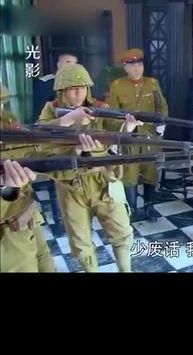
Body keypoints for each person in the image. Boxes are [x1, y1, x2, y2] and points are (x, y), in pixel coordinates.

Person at [36, 64, 138, 273]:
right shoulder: (51, 111)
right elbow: (40, 139)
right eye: (73, 88)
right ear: (62, 90)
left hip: (104, 180)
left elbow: (115, 130)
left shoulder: (99, 108)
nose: (79, 92)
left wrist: (127, 128)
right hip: (71, 184)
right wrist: (69, 122)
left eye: (83, 87)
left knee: (121, 232)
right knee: (80, 243)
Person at [107, 48, 169, 221]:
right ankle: (132, 210)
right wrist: (123, 128)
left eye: (140, 64)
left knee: (151, 171)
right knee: (130, 173)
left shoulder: (152, 83)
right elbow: (112, 115)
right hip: (129, 138)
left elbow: (162, 106)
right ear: (125, 67)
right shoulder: (117, 86)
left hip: (150, 136)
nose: (137, 69)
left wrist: (161, 124)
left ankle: (149, 207)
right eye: (133, 65)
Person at [0, 83, 56, 272]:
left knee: (46, 261)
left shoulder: (8, 121)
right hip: (8, 243)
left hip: (26, 214)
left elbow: (33, 152)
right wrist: (6, 189)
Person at [32, 51, 79, 224]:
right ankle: (59, 218)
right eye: (68, 62)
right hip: (54, 136)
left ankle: (77, 212)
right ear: (58, 64)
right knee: (56, 176)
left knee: (75, 172)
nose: (71, 66)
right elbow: (39, 114)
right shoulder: (45, 83)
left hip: (75, 136)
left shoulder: (79, 83)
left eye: (74, 63)